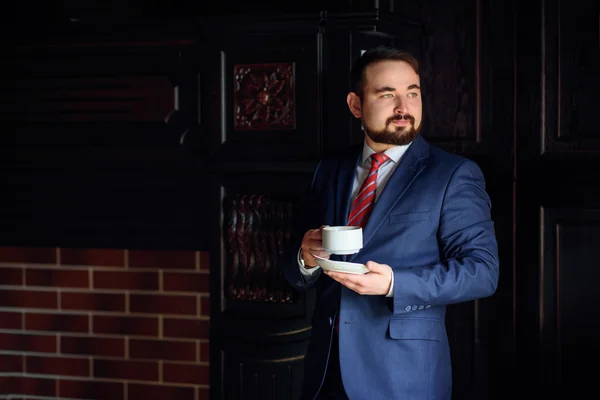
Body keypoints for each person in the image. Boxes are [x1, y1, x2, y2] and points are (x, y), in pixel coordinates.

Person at [283, 46, 500, 400]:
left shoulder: (452, 174)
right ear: (356, 105)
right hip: (326, 372)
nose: (404, 107)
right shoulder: (330, 169)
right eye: (387, 95)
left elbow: (482, 272)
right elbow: (295, 272)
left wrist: (394, 284)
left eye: (412, 93)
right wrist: (305, 259)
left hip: (403, 377)